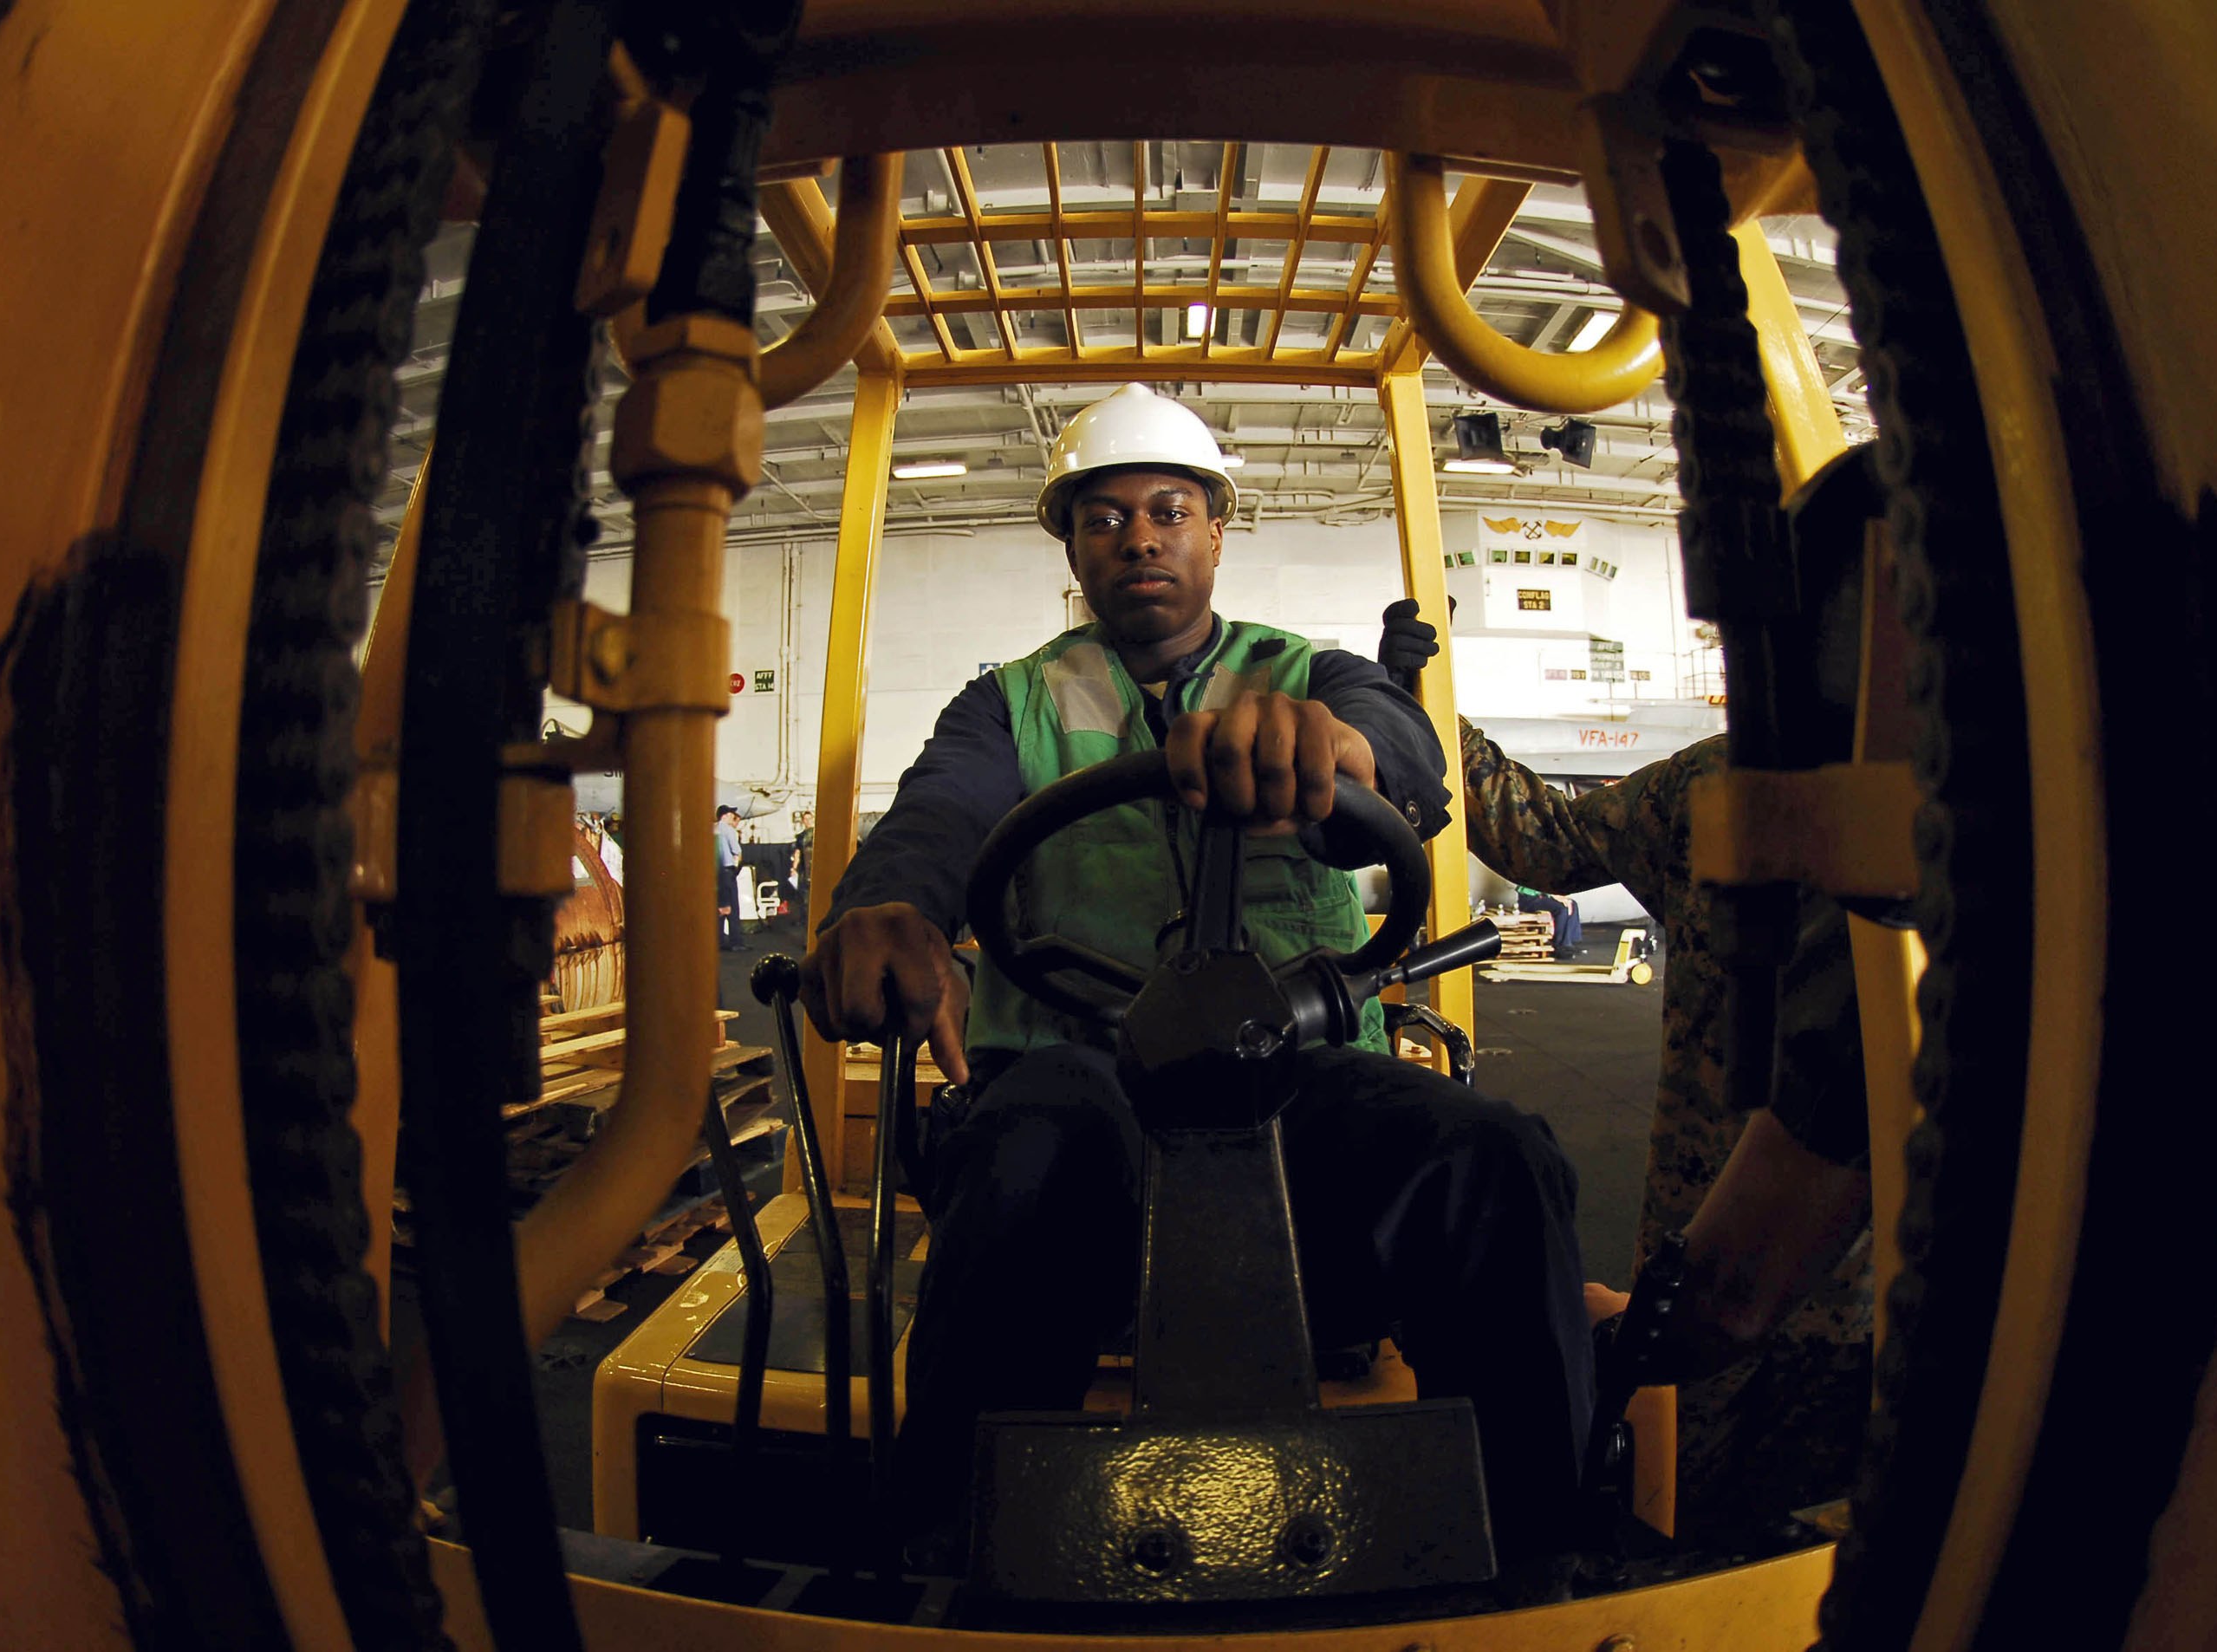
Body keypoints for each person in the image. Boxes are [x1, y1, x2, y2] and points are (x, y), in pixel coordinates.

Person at [801, 383, 1595, 1590]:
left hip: (1296, 1085)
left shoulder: (1311, 673)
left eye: (1170, 508)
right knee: (1033, 1138)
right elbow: (940, 816)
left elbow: (1408, 760)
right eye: (1106, 516)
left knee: (1490, 1159)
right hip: (1078, 1092)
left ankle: (1541, 1556)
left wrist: (1341, 750)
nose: (1141, 535)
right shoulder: (1003, 705)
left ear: (1218, 528)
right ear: (1071, 544)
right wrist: (892, 906)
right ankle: (944, 1557)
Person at [1375, 446, 1882, 1548]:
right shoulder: (1715, 783)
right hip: (1701, 1261)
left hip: (1860, 1316)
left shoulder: (2021, 850)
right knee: (1699, 1531)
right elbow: (1539, 835)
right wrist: (1424, 712)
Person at [713, 803, 744, 951]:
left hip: (714, 873)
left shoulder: (712, 829)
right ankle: (735, 942)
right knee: (733, 907)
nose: (733, 816)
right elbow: (736, 851)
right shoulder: (729, 830)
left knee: (719, 907)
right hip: (727, 870)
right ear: (724, 815)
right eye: (731, 814)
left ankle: (718, 941)